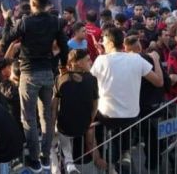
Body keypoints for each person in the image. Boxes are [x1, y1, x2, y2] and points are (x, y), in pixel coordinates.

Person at [1, 0, 68, 171]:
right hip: (48, 73)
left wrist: (7, 19)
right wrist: (61, 67)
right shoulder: (55, 22)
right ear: (48, 3)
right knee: (46, 116)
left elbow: (5, 39)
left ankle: (34, 159)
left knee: (28, 118)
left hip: (29, 74)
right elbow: (64, 47)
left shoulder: (25, 22)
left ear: (32, 3)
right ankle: (45, 156)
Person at [90, 30, 164, 170]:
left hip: (107, 116)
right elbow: (159, 82)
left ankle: (105, 159)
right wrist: (155, 60)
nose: (102, 44)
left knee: (96, 125)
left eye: (104, 42)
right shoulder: (136, 58)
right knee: (119, 141)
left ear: (110, 43)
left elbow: (91, 82)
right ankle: (123, 154)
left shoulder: (101, 60)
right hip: (131, 116)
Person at [51, 49, 98, 174]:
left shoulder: (60, 79)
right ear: (77, 63)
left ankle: (64, 164)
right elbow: (95, 105)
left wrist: (52, 124)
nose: (91, 62)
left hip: (65, 127)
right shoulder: (92, 79)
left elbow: (54, 107)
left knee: (53, 140)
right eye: (87, 60)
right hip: (83, 126)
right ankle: (68, 163)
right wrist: (89, 120)